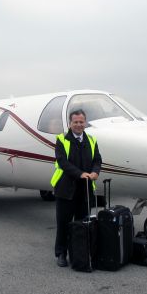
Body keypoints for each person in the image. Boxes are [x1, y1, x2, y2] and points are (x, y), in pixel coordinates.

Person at [50, 109, 102, 267]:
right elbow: (62, 162)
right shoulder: (61, 140)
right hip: (66, 190)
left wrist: (95, 172)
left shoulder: (91, 140)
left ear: (85, 123)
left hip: (84, 190)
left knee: (81, 224)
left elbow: (97, 160)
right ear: (70, 123)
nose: (79, 125)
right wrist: (80, 174)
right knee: (63, 224)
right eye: (76, 122)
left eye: (81, 122)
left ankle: (78, 253)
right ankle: (61, 253)